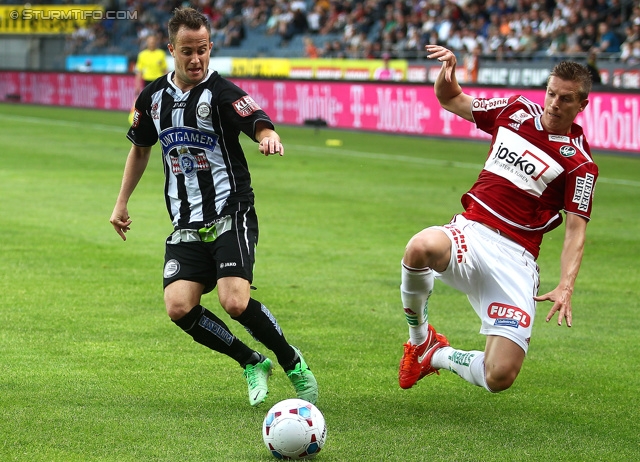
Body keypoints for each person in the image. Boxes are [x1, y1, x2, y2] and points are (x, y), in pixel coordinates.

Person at [110, 7, 318, 407]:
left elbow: (256, 118)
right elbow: (139, 149)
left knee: (234, 301)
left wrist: (267, 135)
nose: (196, 59)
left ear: (210, 47)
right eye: (187, 51)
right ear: (171, 49)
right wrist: (121, 203)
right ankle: (251, 361)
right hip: (185, 220)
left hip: (229, 211)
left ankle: (293, 362)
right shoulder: (152, 98)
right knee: (178, 306)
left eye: (202, 49)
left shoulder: (221, 92)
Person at [398, 44, 598, 393]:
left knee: (498, 377)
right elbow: (452, 99)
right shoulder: (515, 110)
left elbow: (575, 232)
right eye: (551, 93)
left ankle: (436, 354)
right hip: (471, 232)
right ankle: (418, 340)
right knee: (419, 247)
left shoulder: (580, 165)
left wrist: (566, 284)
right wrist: (448, 72)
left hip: (516, 260)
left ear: (582, 105)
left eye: (565, 99)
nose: (554, 103)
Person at [129, 34, 168, 125]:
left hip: (158, 82)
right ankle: (148, 121)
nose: (152, 44)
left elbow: (164, 70)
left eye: (153, 42)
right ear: (147, 43)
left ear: (156, 42)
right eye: (150, 42)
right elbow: (139, 71)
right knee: (148, 102)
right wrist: (137, 85)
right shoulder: (142, 55)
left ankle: (159, 121)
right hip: (147, 81)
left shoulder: (160, 54)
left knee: (159, 102)